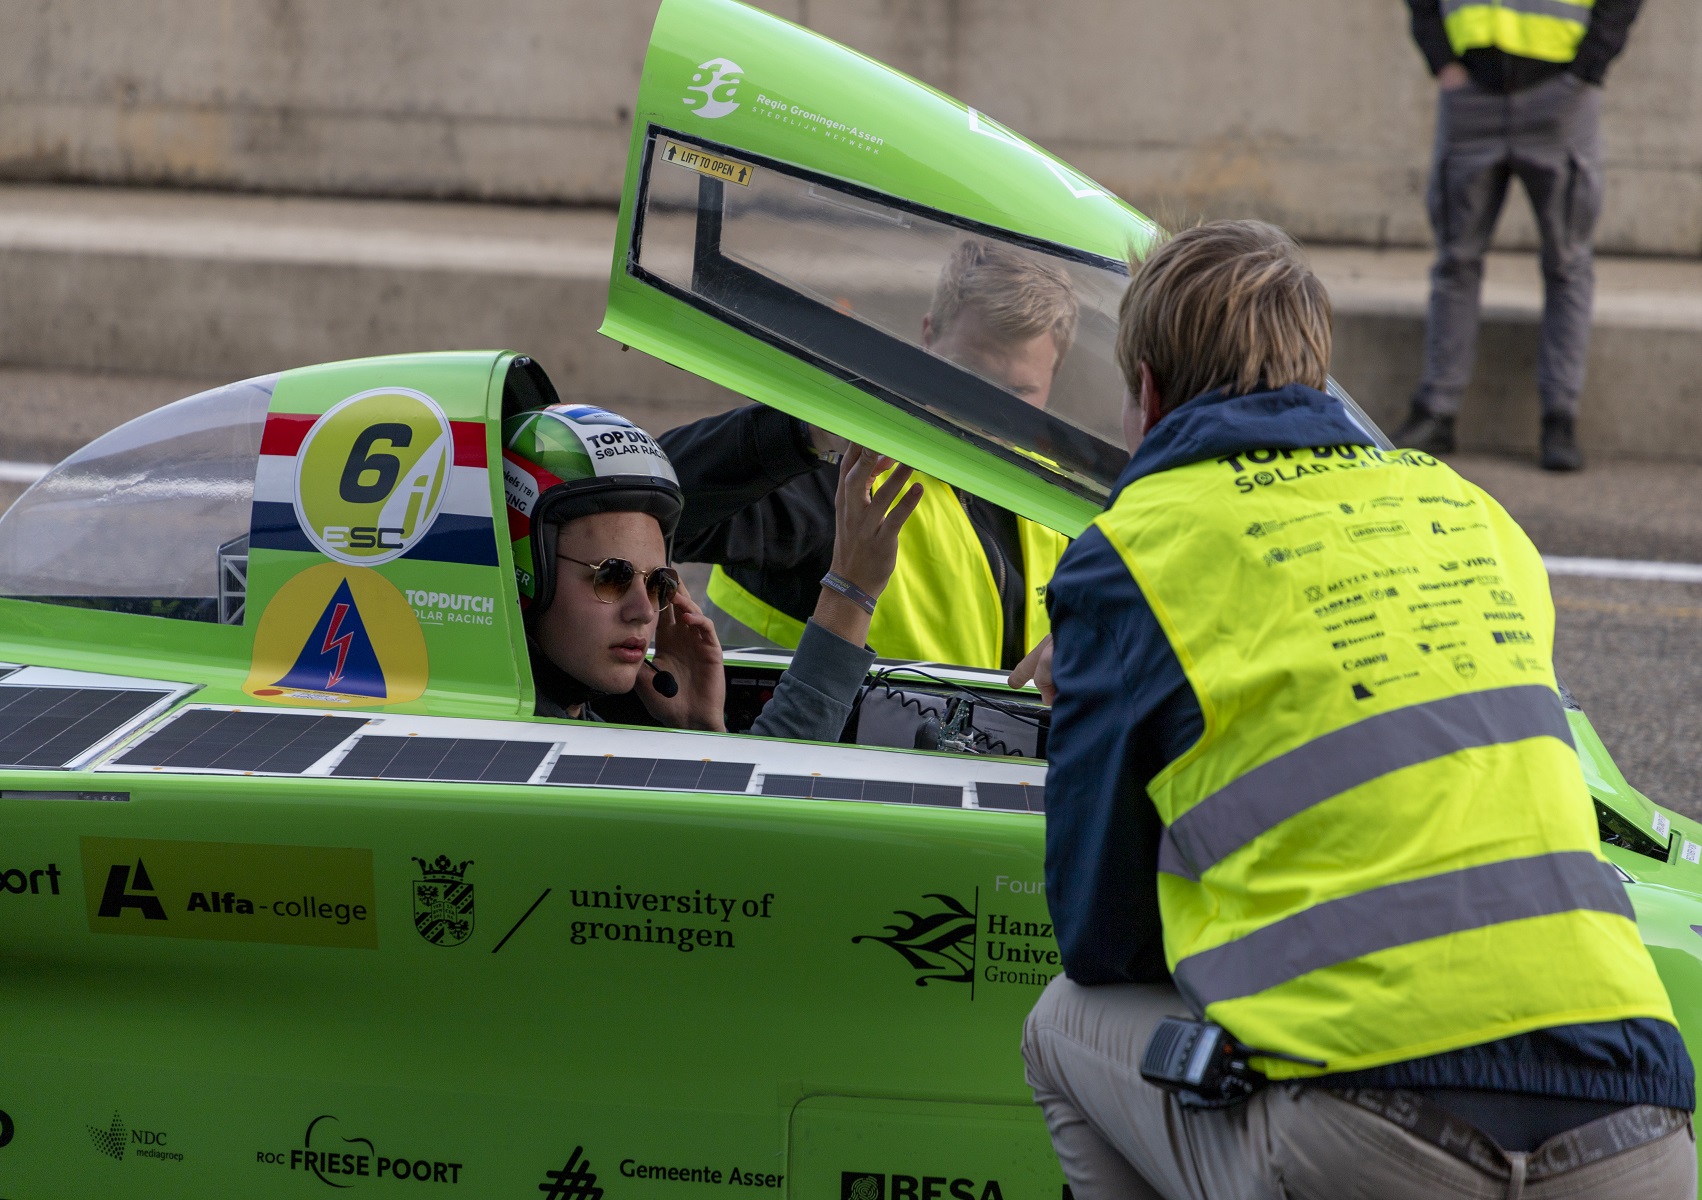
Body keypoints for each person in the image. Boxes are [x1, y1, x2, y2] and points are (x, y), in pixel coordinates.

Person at [1019, 221, 1694, 1199]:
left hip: (1376, 1137)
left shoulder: (1134, 552)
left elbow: (1101, 937)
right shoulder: (1471, 514)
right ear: (1315, 376)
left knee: (1060, 1028)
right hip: (1636, 1123)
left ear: (1149, 393)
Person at [658, 238, 1077, 671]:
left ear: (1055, 375)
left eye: (1018, 393)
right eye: (969, 379)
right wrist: (800, 433)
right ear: (928, 337)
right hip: (789, 738)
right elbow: (650, 502)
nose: (991, 412)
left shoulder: (1061, 497)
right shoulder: (843, 471)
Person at [500, 404, 922, 737]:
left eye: (657, 583)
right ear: (522, 575)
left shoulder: (567, 724)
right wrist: (851, 590)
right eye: (611, 576)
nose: (645, 612)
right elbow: (759, 822)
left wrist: (703, 732)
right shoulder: (504, 746)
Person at [1396, 0, 1643, 472]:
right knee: (1455, 261)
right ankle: (1436, 411)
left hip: (1560, 95)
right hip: (1470, 92)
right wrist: (1441, 58)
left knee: (1567, 262)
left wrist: (1590, 65)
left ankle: (1559, 418)